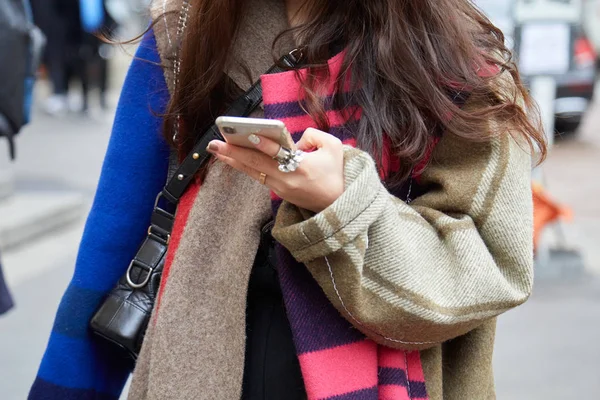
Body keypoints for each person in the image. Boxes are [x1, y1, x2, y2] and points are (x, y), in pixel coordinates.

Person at [29, 0, 546, 399]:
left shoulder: (459, 61)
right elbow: (110, 256)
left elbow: (491, 266)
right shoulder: (187, 32)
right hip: (198, 371)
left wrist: (344, 204)